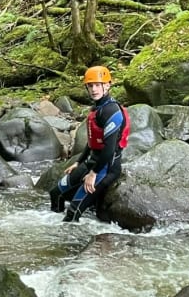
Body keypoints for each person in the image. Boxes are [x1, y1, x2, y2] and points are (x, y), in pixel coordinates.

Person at [49, 66, 130, 222]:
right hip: (91, 162)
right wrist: (78, 162)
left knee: (72, 212)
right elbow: (93, 142)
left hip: (106, 168)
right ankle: (52, 226)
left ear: (107, 85)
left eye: (98, 85)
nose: (94, 89)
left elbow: (109, 148)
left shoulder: (111, 111)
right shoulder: (97, 108)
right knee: (55, 193)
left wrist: (92, 174)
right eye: (90, 85)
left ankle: (70, 244)